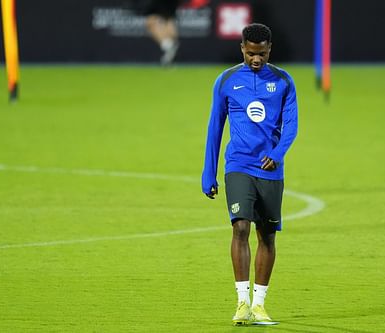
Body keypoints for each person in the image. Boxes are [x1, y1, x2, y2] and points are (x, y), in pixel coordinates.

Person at [201, 23, 299, 326]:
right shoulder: (227, 80)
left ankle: (259, 305)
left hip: (270, 170)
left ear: (270, 49)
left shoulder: (283, 81)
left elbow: (291, 125)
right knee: (240, 227)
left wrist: (278, 154)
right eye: (251, 53)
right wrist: (209, 172)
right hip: (238, 165)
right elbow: (215, 128)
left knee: (266, 235)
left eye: (263, 54)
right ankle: (241, 302)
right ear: (242, 48)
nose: (257, 59)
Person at [140, 0, 181, 65]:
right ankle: (169, 46)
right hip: (155, 14)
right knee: (152, 22)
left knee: (173, 37)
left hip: (167, 14)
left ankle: (169, 50)